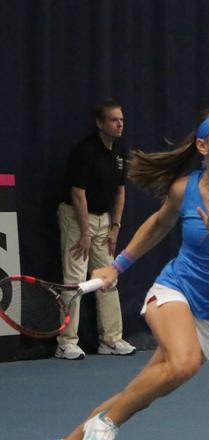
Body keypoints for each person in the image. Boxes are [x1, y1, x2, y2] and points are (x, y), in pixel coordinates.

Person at [39, 105, 209, 440]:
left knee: (141, 391)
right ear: (204, 146)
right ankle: (107, 424)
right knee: (182, 363)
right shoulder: (185, 189)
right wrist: (116, 266)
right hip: (175, 291)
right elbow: (159, 224)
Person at [55, 99, 136, 360]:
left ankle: (110, 340)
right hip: (77, 219)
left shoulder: (120, 153)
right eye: (114, 120)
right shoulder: (85, 151)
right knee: (75, 281)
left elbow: (120, 192)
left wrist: (115, 227)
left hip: (104, 221)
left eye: (121, 120)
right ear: (100, 124)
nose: (119, 124)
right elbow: (77, 194)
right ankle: (66, 343)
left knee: (107, 278)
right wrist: (85, 233)